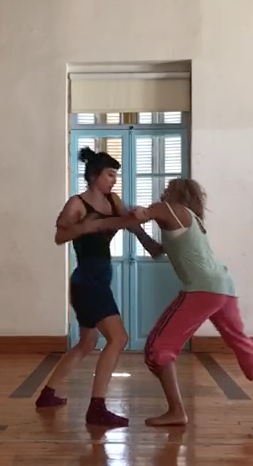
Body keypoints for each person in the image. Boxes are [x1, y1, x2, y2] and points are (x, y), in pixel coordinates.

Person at [94, 178, 253, 426]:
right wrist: (137, 230)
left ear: (178, 193)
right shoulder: (190, 219)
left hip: (202, 289)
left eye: (169, 187)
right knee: (238, 339)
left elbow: (142, 214)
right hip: (223, 287)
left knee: (157, 347)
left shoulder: (169, 208)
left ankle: (176, 411)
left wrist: (126, 212)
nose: (164, 190)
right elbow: (156, 251)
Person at [34, 147, 162, 428]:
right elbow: (59, 236)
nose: (114, 180)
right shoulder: (77, 204)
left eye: (115, 175)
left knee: (87, 343)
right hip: (87, 280)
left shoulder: (113, 201)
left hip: (99, 278)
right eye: (110, 174)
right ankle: (97, 408)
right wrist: (84, 228)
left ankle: (47, 394)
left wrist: (150, 244)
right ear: (94, 176)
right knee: (119, 338)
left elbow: (129, 224)